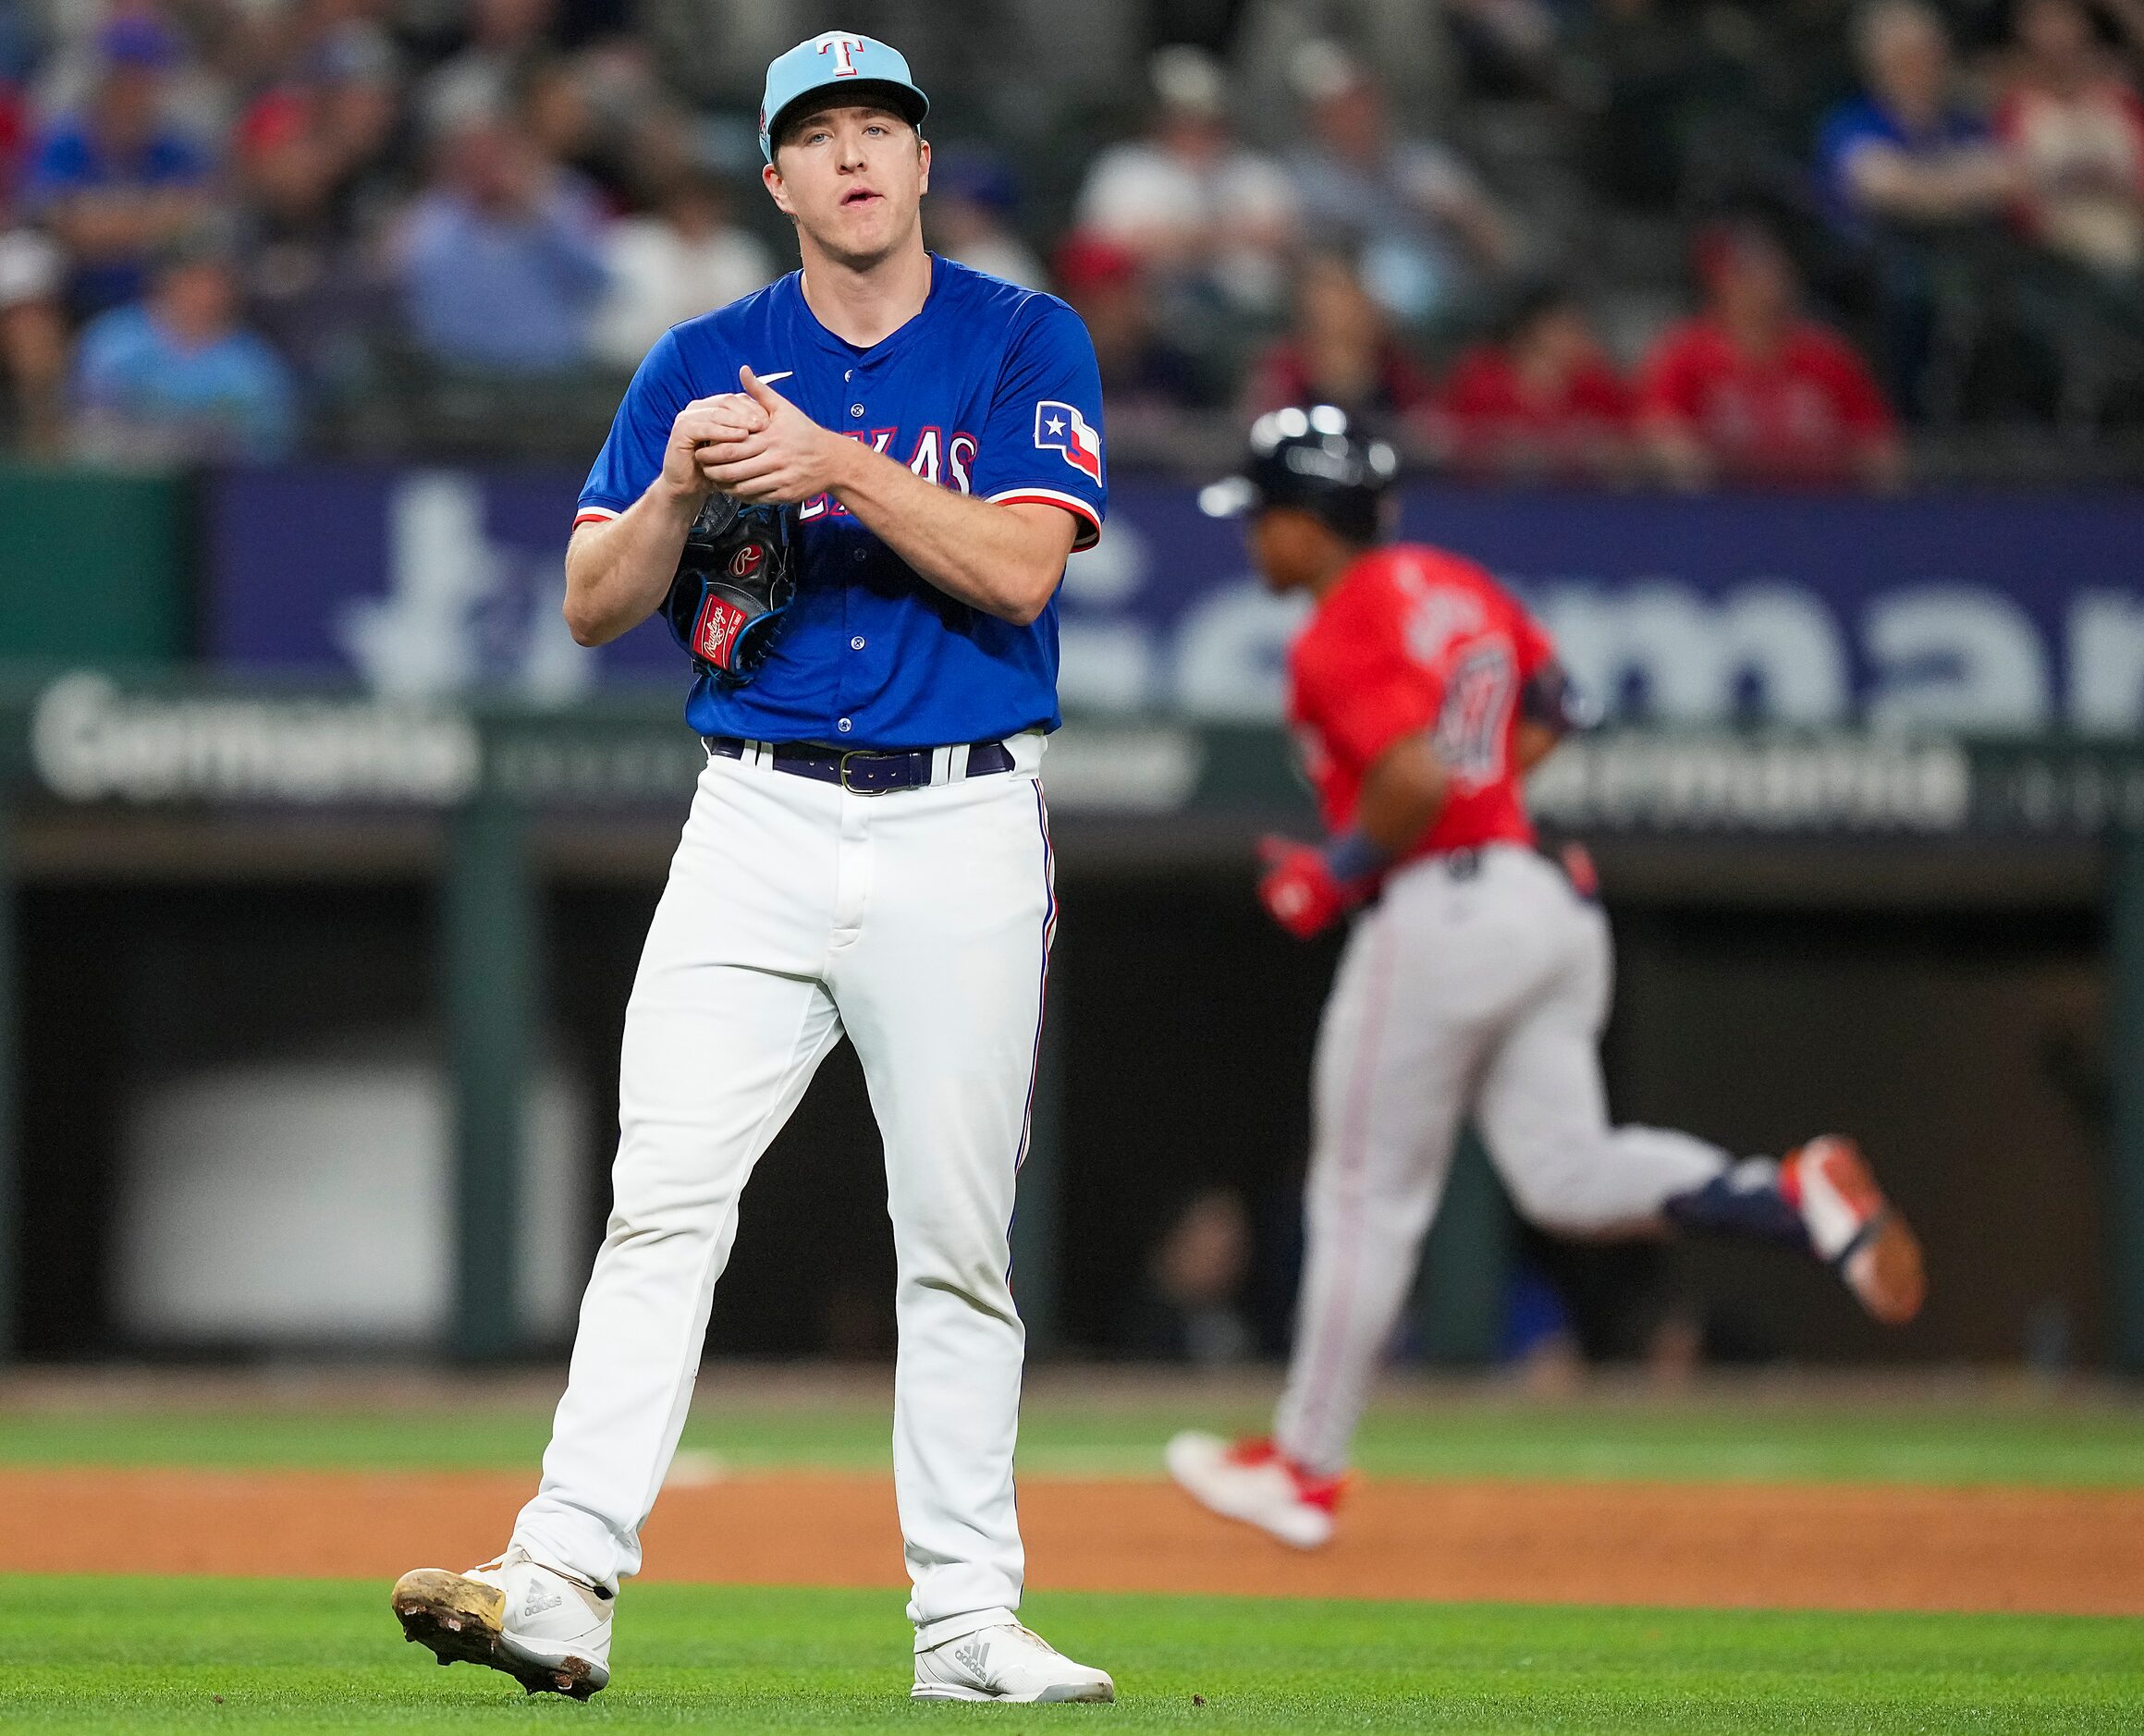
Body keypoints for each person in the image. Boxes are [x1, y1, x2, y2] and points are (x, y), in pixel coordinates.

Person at [390, 31, 1113, 1706]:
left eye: (882, 128)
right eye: (820, 135)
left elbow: (1018, 568)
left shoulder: (1020, 335)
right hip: (757, 815)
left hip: (958, 816)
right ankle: (560, 1572)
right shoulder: (704, 358)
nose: (855, 156)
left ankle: (964, 1625)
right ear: (774, 180)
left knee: (952, 1236)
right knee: (661, 1202)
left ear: (921, 164)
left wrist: (839, 463)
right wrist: (667, 487)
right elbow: (590, 602)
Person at [1166, 406, 1926, 1549]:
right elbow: (1563, 707)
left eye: (1265, 517)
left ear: (1313, 523)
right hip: (1543, 897)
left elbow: (1415, 776)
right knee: (1568, 1174)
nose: (1253, 540)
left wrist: (1335, 871)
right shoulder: (1457, 584)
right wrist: (1477, 807)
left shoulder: (1341, 624)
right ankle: (1791, 1196)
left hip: (1439, 907)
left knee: (1366, 1195)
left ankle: (1305, 1467)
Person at [1636, 223, 1903, 489]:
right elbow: (1660, 432)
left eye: (1769, 272)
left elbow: (1877, 444)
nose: (1761, 286)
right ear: (1720, 284)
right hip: (1723, 513)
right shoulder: (1686, 355)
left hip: (1819, 512)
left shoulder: (1826, 356)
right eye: (1744, 275)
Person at [1284, 39, 1516, 330]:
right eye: (1339, 108)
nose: (1355, 115)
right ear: (1316, 119)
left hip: (1455, 302)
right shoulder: (1304, 178)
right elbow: (1301, 258)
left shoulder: (1425, 161)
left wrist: (1464, 214)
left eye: (1361, 101)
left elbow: (1500, 249)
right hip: (1367, 319)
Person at [1072, 43, 1296, 316]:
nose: (1195, 128)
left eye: (1205, 117)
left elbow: (1286, 239)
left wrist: (1182, 240)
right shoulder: (1123, 169)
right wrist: (1223, 236)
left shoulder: (1255, 171)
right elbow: (1097, 251)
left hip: (1252, 305)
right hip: (1155, 309)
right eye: (1184, 116)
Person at [21, 14, 214, 320]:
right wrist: (153, 218)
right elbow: (63, 226)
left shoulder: (177, 148)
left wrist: (103, 221)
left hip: (156, 302)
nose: (136, 90)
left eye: (147, 78)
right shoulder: (66, 140)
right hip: (72, 297)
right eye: (126, 76)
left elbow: (191, 219)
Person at [396, 110, 609, 374]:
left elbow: (598, 282)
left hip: (555, 371)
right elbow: (423, 295)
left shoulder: (561, 198)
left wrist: (534, 213)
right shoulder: (436, 218)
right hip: (462, 377)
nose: (489, 168)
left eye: (498, 154)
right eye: (475, 156)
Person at [71, 234, 296, 461]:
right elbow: (87, 428)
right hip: (124, 482)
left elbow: (268, 447)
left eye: (214, 279)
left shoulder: (253, 364)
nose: (203, 291)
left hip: (215, 486)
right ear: (164, 280)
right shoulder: (111, 342)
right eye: (191, 277)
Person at [1996, 0, 2144, 279]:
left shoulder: (2121, 102)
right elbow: (2014, 197)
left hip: (2127, 238)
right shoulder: (2017, 107)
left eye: (2063, 21)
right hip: (2055, 258)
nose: (2056, 35)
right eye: (2043, 23)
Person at [1434, 282, 1636, 482]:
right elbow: (1442, 442)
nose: (1583, 337)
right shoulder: (1482, 381)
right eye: (1569, 327)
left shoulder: (1596, 385)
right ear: (1535, 331)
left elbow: (1631, 447)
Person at [591, 165, 778, 371]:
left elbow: (753, 328)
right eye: (687, 203)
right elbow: (608, 327)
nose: (695, 211)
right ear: (669, 203)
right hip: (631, 369)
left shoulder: (743, 253)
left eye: (706, 203)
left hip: (720, 372)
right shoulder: (632, 244)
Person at [1243, 251, 1438, 431]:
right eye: (1321, 297)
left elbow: (1423, 429)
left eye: (1341, 295)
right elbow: (1262, 425)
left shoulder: (1395, 367)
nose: (1329, 309)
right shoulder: (1284, 366)